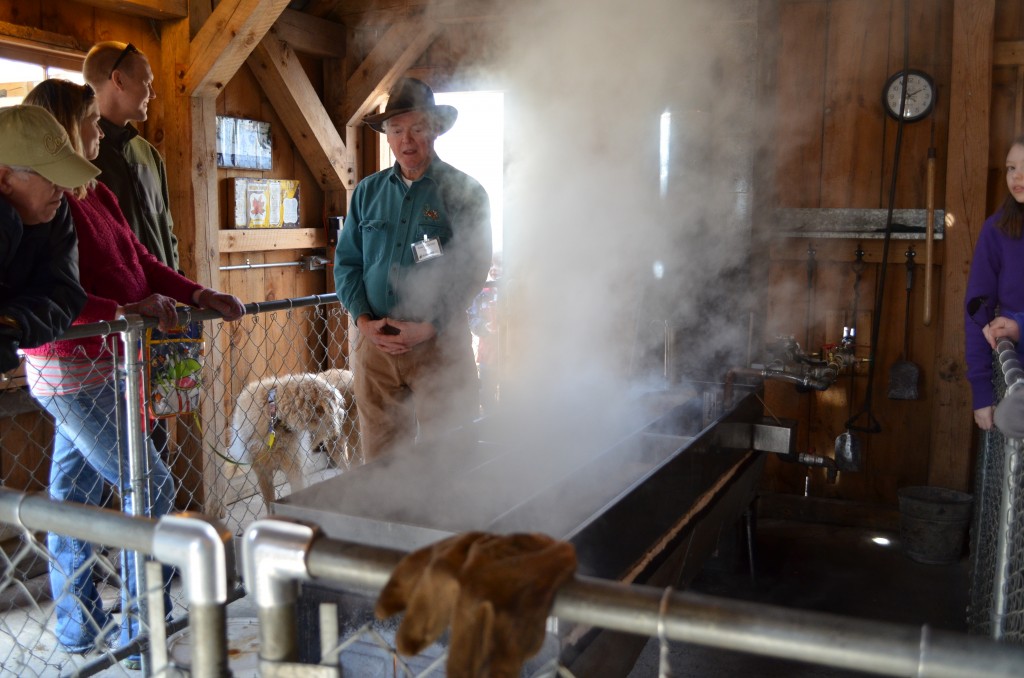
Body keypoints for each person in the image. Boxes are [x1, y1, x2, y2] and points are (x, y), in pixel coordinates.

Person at [21, 79, 245, 662]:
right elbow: (54, 292)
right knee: (152, 483)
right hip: (69, 365)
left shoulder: (94, 189)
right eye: (92, 120)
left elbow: (141, 262)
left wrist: (197, 292)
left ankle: (77, 623)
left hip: (110, 361)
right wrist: (125, 312)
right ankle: (143, 633)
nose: (100, 131)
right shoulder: (45, 197)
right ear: (64, 127)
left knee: (70, 495)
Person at [334, 77, 492, 460]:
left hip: (440, 347)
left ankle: (454, 523)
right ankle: (388, 522)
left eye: (417, 128)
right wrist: (362, 320)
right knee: (382, 463)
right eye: (397, 129)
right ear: (387, 135)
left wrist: (431, 324)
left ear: (435, 130)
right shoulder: (367, 193)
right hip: (377, 348)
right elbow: (347, 262)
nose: (407, 140)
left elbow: (472, 268)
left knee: (451, 459)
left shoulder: (466, 192)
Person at [0, 105, 95, 373]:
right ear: (5, 179)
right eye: (51, 177)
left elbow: (62, 292)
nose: (64, 188)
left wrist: (13, 322)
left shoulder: (54, 211)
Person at [82, 41, 179, 271]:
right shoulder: (80, 154)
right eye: (147, 82)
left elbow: (167, 231)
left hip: (166, 299)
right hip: (115, 304)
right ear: (119, 80)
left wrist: (178, 280)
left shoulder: (149, 155)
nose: (153, 94)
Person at [965, 135, 1024, 430]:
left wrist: (1019, 327)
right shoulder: (997, 229)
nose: (1017, 177)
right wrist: (982, 392)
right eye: (1011, 168)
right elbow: (977, 309)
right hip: (1014, 381)